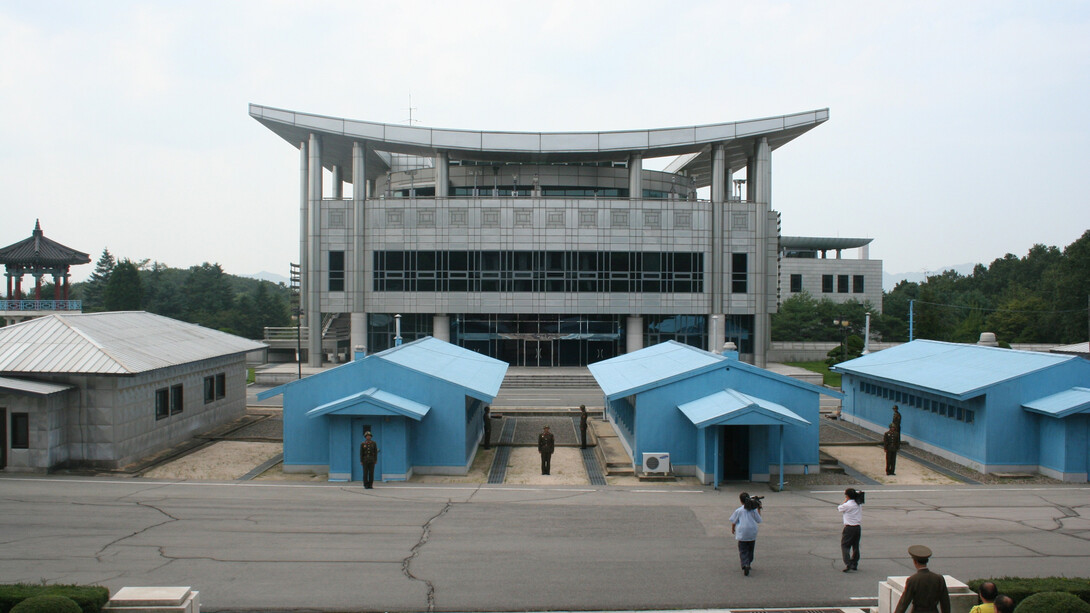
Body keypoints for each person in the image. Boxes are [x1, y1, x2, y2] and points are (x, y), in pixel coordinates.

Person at [894, 545, 951, 613]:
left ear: (915, 562)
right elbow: (945, 603)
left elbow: (903, 603)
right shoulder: (939, 579)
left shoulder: (913, 580)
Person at [729, 492, 762, 576]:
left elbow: (734, 521)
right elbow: (759, 520)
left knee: (743, 550)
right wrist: (759, 508)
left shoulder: (739, 510)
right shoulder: (753, 510)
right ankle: (749, 562)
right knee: (750, 549)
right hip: (752, 532)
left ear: (741, 501)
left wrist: (733, 528)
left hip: (742, 532)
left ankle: (745, 564)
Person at [838, 488, 862, 571]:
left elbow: (839, 508)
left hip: (849, 528)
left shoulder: (847, 505)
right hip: (857, 527)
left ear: (847, 496)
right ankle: (854, 563)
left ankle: (848, 563)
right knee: (855, 546)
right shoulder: (858, 504)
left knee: (845, 545)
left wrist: (845, 500)